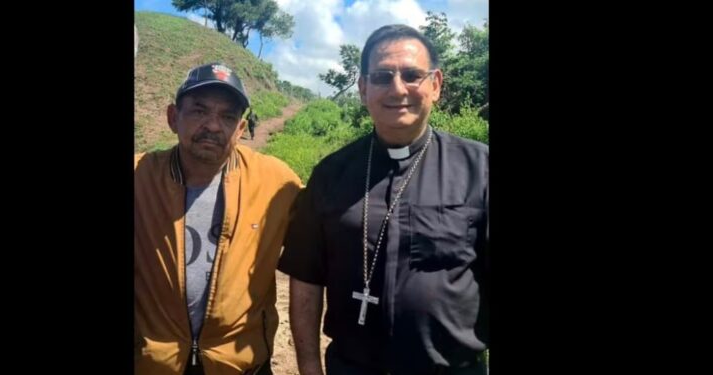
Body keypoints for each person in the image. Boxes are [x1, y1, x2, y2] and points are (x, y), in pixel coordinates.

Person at [278, 24, 488, 375]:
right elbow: (306, 277)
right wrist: (310, 367)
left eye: (411, 75)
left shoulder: (479, 169)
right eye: (381, 76)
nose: (397, 88)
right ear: (362, 89)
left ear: (435, 85)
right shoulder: (330, 175)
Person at [135, 62, 302, 375]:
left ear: (240, 129)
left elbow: (324, 240)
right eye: (199, 111)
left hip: (240, 364)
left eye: (227, 116)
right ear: (173, 117)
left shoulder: (277, 183)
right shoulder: (139, 176)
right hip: (153, 363)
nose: (213, 125)